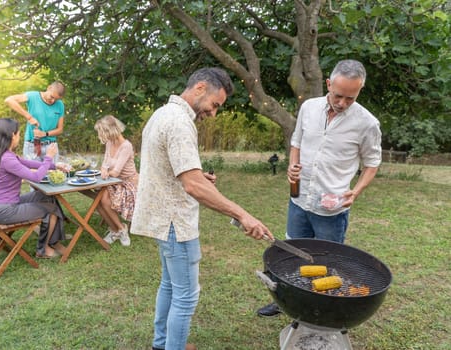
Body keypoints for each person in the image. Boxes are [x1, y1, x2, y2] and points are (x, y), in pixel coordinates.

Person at [130, 67, 275, 350]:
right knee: (186, 296)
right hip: (175, 223)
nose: (213, 112)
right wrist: (242, 214)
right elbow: (193, 186)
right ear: (199, 88)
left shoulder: (162, 114)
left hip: (162, 219)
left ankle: (163, 344)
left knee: (170, 286)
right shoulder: (180, 122)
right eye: (215, 104)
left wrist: (196, 176)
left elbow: (170, 169)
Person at [257, 59, 382, 317]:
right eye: (338, 95)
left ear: (359, 91)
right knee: (291, 252)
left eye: (351, 97)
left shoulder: (367, 123)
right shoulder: (309, 107)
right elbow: (297, 142)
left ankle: (318, 308)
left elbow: (372, 164)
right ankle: (285, 300)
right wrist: (293, 166)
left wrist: (356, 191)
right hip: (300, 200)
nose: (343, 103)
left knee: (326, 261)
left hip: (332, 207)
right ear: (328, 84)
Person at [0, 118, 67, 258]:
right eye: (18, 134)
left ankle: (53, 241)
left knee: (47, 197)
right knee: (51, 209)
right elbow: (36, 178)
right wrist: (48, 157)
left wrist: (55, 165)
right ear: (12, 135)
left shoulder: (3, 154)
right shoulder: (7, 159)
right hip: (6, 210)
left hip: (3, 204)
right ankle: (43, 250)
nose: (19, 137)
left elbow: (27, 163)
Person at [94, 115, 139, 246]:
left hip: (128, 182)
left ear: (110, 131)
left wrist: (106, 172)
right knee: (98, 200)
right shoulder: (110, 143)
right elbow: (105, 163)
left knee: (103, 199)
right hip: (113, 181)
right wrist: (103, 170)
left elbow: (116, 172)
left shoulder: (126, 146)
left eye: (103, 133)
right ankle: (117, 229)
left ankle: (120, 229)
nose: (103, 137)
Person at [5, 81, 66, 163]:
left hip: (51, 147)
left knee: (53, 175)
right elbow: (9, 100)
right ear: (49, 88)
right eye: (52, 97)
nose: (53, 100)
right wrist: (29, 117)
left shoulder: (60, 105)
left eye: (56, 99)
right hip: (32, 145)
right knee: (33, 174)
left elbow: (60, 129)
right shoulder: (32, 96)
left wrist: (44, 134)